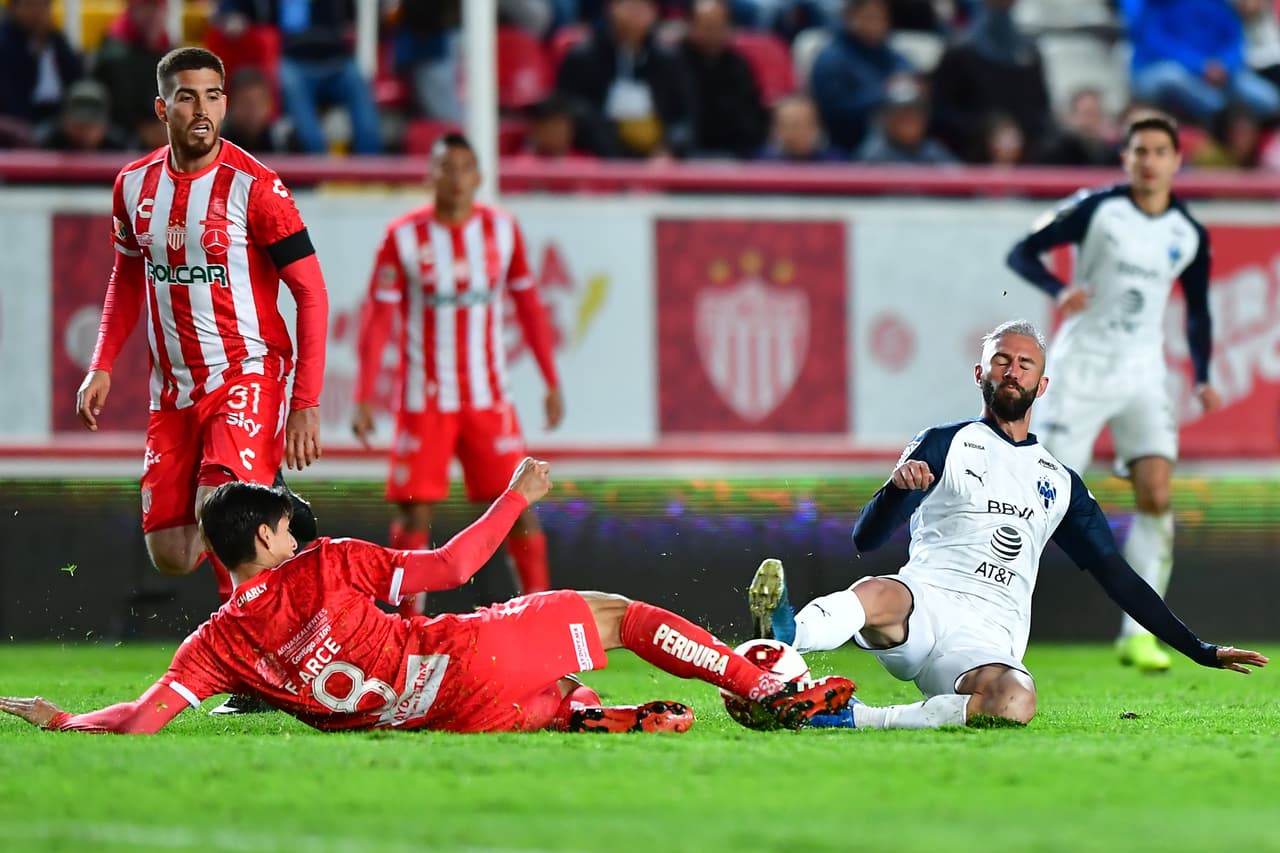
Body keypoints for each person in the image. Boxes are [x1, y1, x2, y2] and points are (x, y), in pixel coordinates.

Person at [0, 463, 856, 735]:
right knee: (614, 612)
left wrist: (66, 721)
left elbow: (145, 718)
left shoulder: (214, 646)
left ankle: (596, 712)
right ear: (262, 540)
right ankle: (766, 689)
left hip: (444, 718)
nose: (296, 530)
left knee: (554, 684)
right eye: (283, 524)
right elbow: (449, 565)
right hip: (458, 660)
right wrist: (518, 494)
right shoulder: (324, 564)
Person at [745, 320, 1266, 731]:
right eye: (1001, 361)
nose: (1012, 371)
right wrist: (896, 493)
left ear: (1042, 384)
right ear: (981, 374)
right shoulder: (944, 443)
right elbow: (868, 538)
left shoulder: (1061, 484)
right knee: (876, 591)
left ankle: (848, 716)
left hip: (986, 638)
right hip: (921, 602)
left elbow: (1120, 578)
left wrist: (1197, 649)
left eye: (1024, 364)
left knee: (1015, 700)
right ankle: (782, 641)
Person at [74, 48, 329, 708]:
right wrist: (102, 363)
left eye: (214, 96)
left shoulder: (257, 185)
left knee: (226, 512)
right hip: (174, 390)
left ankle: (260, 669)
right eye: (187, 97)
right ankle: (296, 557)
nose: (203, 109)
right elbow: (126, 276)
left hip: (247, 372)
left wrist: (305, 400)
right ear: (163, 108)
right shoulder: (133, 186)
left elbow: (312, 291)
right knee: (172, 549)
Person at [1005, 113, 1221, 671]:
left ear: (1176, 161)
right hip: (1080, 372)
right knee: (1039, 502)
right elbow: (1021, 252)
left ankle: (1138, 634)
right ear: (1124, 159)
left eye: (1158, 151)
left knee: (1156, 494)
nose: (1148, 161)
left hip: (1142, 374)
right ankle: (993, 621)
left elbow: (1197, 312)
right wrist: (1059, 288)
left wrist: (1201, 375)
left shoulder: (1188, 234)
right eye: (1138, 151)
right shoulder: (1098, 208)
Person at [352, 133, 561, 615]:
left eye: (465, 167)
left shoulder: (503, 231)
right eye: (445, 167)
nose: (455, 177)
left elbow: (529, 307)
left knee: (519, 507)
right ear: (431, 174)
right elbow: (377, 319)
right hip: (426, 400)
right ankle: (407, 629)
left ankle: (542, 617)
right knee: (414, 511)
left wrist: (551, 380)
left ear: (479, 177)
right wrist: (364, 396)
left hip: (489, 398)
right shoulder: (403, 236)